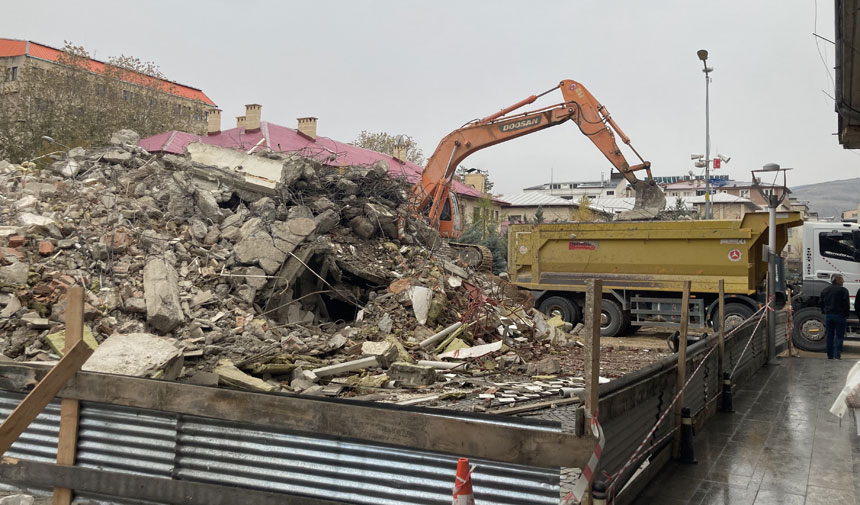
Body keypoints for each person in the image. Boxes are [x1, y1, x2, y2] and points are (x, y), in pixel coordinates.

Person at [819, 274, 850, 359]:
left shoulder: (825, 290)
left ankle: (830, 355)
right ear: (836, 280)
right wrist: (846, 314)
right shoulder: (843, 290)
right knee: (839, 336)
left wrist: (824, 311)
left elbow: (821, 302)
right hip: (840, 315)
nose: (843, 281)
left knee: (830, 335)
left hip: (829, 315)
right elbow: (846, 304)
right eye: (841, 279)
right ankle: (837, 355)